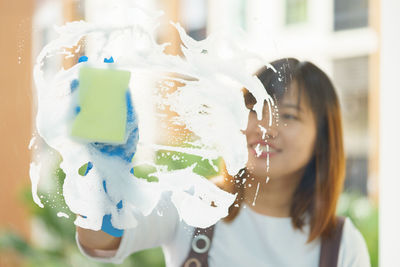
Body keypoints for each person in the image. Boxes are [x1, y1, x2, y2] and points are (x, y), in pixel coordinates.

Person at [76, 58, 371, 267]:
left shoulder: (342, 245)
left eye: (289, 115)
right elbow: (99, 239)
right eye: (254, 109)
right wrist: (104, 169)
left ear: (323, 138)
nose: (264, 127)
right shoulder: (194, 205)